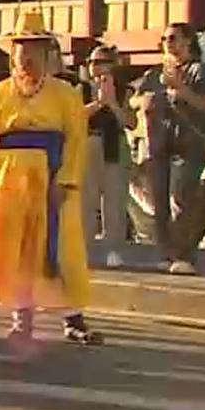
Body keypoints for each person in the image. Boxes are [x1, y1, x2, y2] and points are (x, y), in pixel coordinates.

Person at [0, 10, 101, 346]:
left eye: (35, 53)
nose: (27, 60)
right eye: (21, 53)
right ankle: (20, 318)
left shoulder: (65, 94)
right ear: (12, 56)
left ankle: (74, 317)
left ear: (47, 55)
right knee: (17, 249)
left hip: (50, 176)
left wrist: (66, 179)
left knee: (61, 248)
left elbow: (75, 139)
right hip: (7, 180)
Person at [132, 22, 205, 274]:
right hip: (159, 142)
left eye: (173, 38)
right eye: (164, 38)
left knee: (182, 198)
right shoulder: (154, 73)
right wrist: (144, 100)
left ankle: (184, 254)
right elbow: (134, 98)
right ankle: (166, 252)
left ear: (188, 41)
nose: (167, 43)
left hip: (188, 142)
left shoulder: (201, 70)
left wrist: (180, 90)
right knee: (159, 201)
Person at [80, 44, 137, 269]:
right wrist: (98, 103)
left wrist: (112, 103)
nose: (96, 67)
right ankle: (82, 248)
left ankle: (113, 248)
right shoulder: (81, 88)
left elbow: (131, 122)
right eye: (92, 62)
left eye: (101, 62)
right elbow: (75, 116)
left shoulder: (125, 90)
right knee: (86, 198)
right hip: (88, 141)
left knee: (114, 198)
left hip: (115, 142)